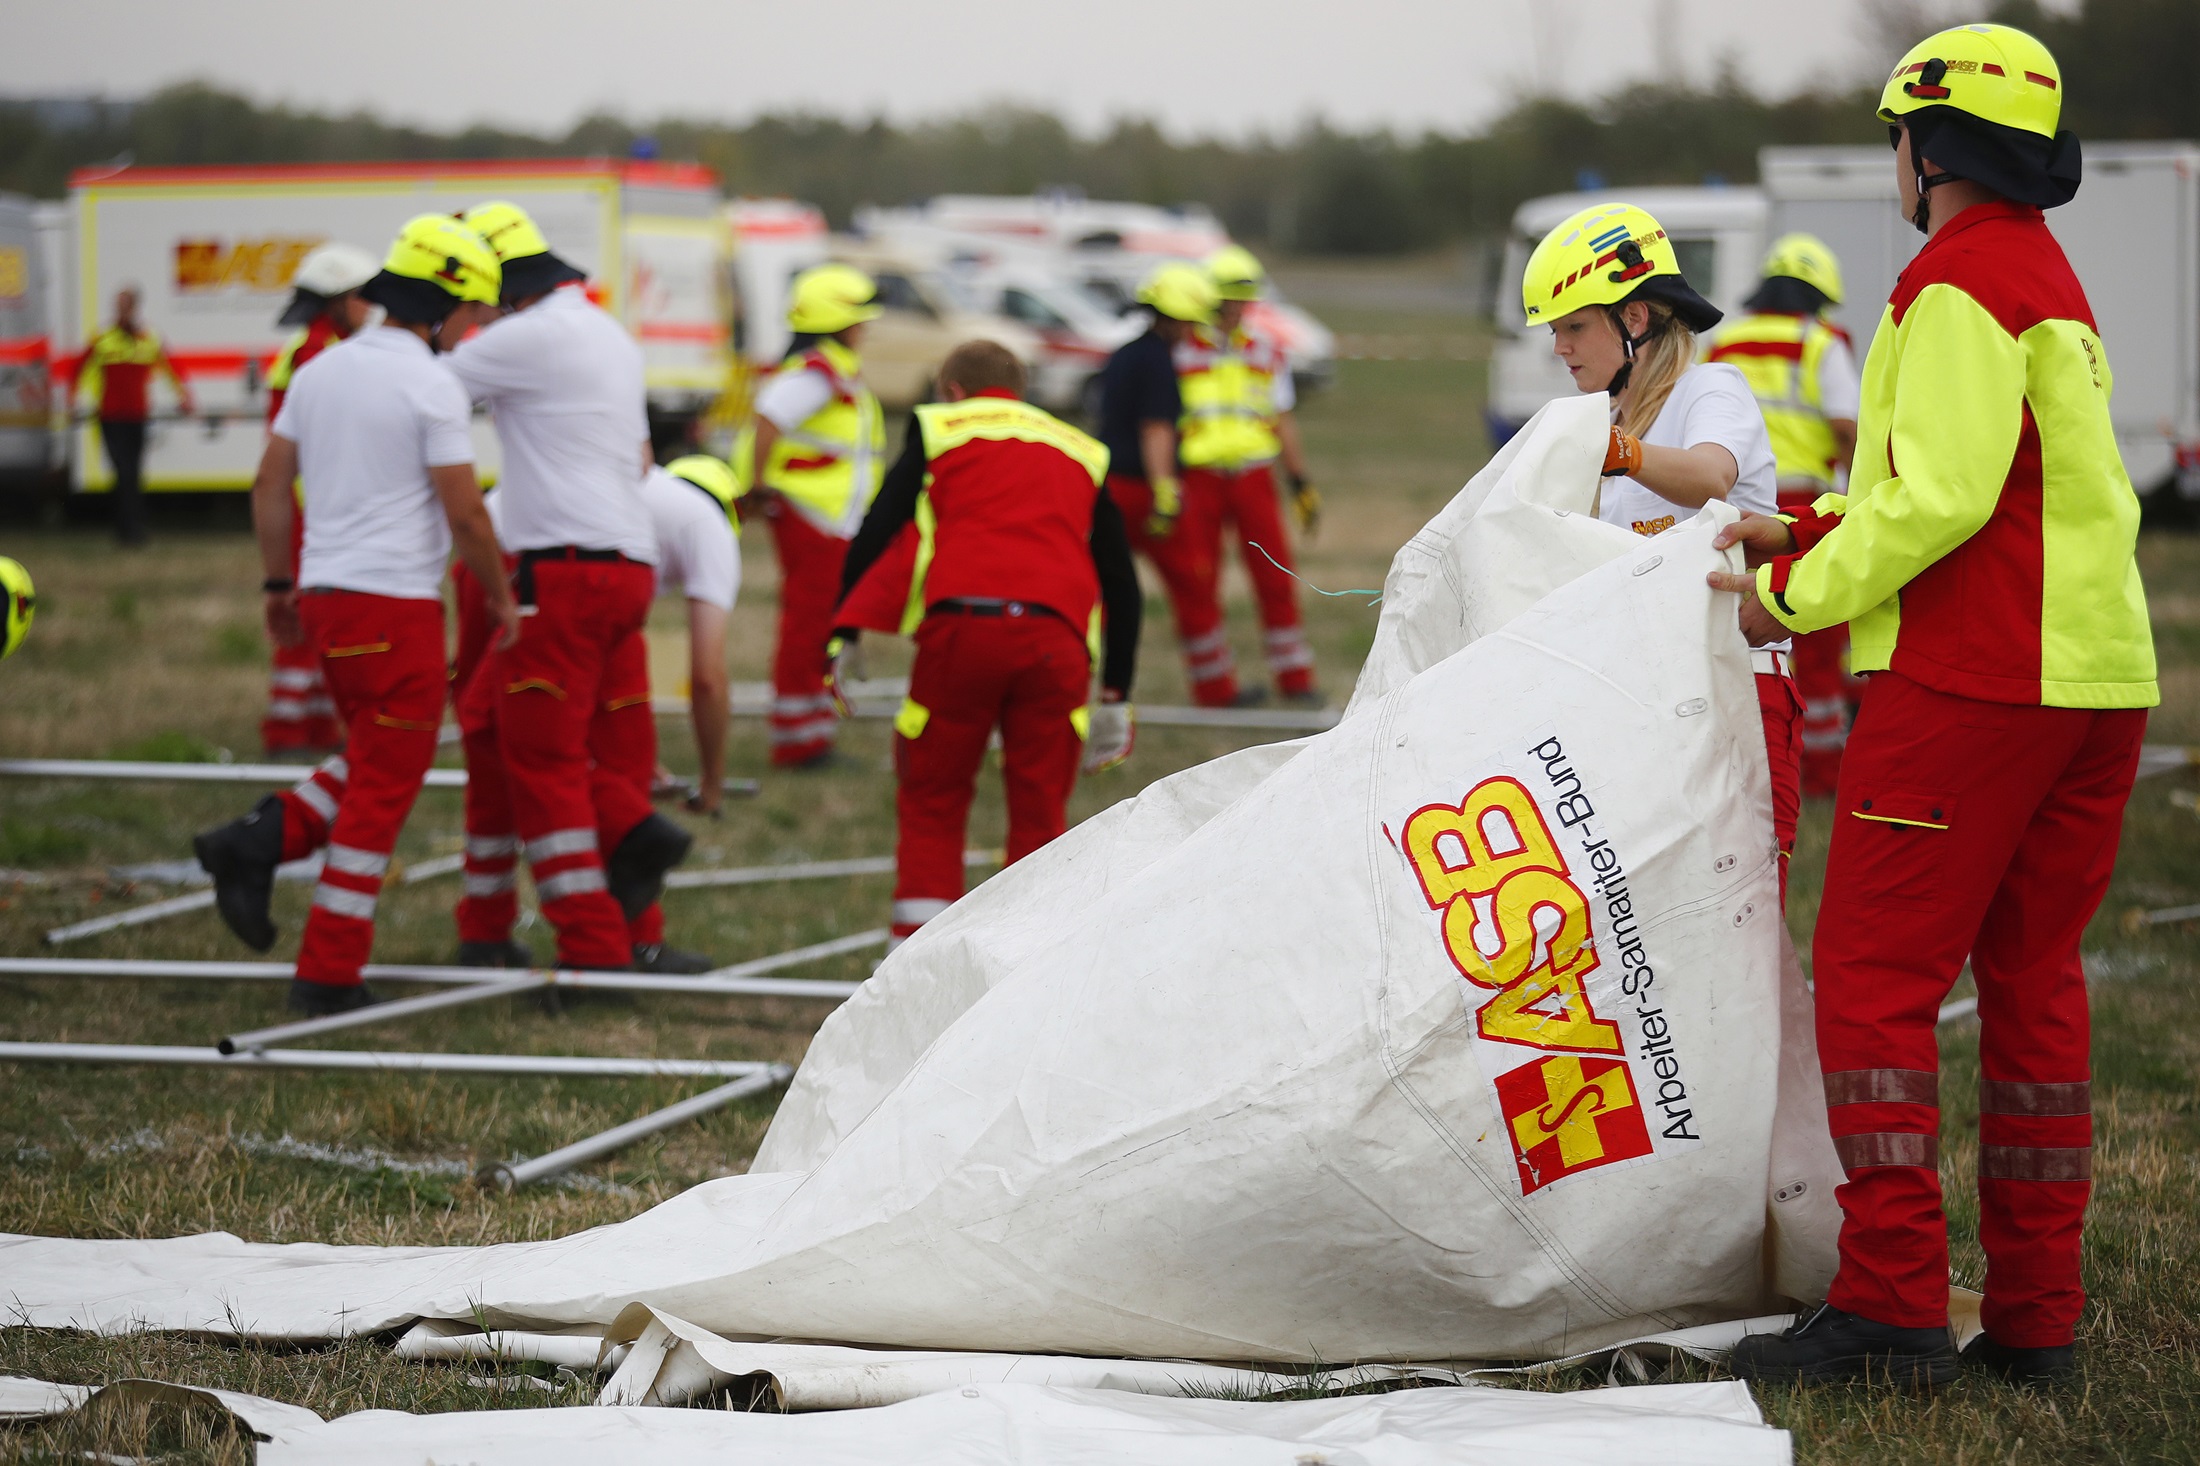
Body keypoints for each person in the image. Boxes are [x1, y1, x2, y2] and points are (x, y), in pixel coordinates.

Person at [1719, 24, 2153, 1387]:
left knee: (1872, 981)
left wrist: (1788, 598)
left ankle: (1895, 1304)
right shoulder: (2050, 281)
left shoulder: (1954, 281)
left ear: (1926, 147)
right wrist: (1800, 535)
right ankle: (2035, 1321)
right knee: (2033, 990)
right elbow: (1982, 487)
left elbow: (1942, 498)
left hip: (1972, 680)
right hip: (2094, 681)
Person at [192, 215, 515, 1016]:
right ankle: (328, 971)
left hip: (328, 606)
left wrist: (277, 589)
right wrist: (503, 598)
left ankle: (253, 843)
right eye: (472, 314)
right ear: (442, 305)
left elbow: (269, 485)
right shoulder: (429, 384)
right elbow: (467, 515)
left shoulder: (320, 373)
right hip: (396, 610)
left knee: (371, 761)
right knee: (381, 794)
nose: (474, 330)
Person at [1520, 200, 1804, 902]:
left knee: (1743, 928)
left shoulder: (1713, 387)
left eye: (1575, 326)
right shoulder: (1612, 420)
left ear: (1636, 318)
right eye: (1557, 330)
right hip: (1647, 705)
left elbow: (1710, 477)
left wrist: (1614, 451)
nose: (1560, 346)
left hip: (1740, 694)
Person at [441, 200, 693, 975]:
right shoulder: (603, 331)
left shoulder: (527, 335)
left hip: (563, 569)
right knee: (489, 717)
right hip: (622, 566)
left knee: (541, 757)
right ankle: (495, 923)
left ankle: (594, 942)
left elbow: (416, 392)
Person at [831, 340, 1141, 949]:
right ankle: (1027, 968)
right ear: (1020, 394)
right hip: (1057, 641)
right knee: (1039, 807)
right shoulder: (1080, 447)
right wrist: (1116, 693)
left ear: (951, 389)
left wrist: (842, 629)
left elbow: (880, 523)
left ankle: (915, 959)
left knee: (933, 796)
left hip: (962, 630)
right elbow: (1121, 580)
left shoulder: (941, 427)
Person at [454, 454, 737, 976]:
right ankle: (629, 920)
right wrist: (713, 777)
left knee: (511, 742)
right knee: (527, 746)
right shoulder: (709, 529)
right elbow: (708, 677)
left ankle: (491, 928)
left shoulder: (655, 499)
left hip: (554, 569)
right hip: (527, 568)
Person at [1709, 235, 1864, 797]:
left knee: (1741, 638)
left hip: (1739, 504)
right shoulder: (1818, 341)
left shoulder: (1723, 340)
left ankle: (1747, 771)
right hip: (1801, 505)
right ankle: (1820, 775)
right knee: (1816, 639)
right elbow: (1847, 426)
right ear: (1820, 296)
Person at [740, 263, 887, 768]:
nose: (865, 329)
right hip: (813, 519)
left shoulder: (831, 369)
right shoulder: (816, 374)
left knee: (820, 626)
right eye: (860, 319)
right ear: (840, 321)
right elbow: (768, 421)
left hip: (828, 519)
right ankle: (798, 742)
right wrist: (759, 489)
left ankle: (810, 733)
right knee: (809, 627)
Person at [1175, 245, 1319, 705]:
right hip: (1198, 478)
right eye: (1229, 299)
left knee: (1275, 576)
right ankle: (1213, 687)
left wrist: (1299, 482)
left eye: (1244, 299)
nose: (1238, 309)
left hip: (1254, 476)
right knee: (1199, 579)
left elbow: (1282, 417)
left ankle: (1295, 680)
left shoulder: (1265, 349)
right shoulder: (1179, 351)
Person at [261, 242, 381, 757]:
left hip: (315, 505)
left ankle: (313, 727)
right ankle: (289, 730)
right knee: (304, 620)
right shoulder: (319, 352)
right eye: (361, 297)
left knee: (316, 622)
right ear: (337, 300)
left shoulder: (312, 347)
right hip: (315, 508)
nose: (370, 308)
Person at [1095, 262, 1230, 703]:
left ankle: (1077, 682)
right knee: (1194, 584)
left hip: (1109, 489)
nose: (1194, 330)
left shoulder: (1124, 354)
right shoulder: (1157, 361)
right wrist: (1166, 493)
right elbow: (1156, 428)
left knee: (1099, 591)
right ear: (1173, 316)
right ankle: (1215, 689)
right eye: (1191, 320)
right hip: (1146, 493)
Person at [73, 287, 194, 546]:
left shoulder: (148, 338)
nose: (120, 310)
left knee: (132, 473)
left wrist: (184, 398)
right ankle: (129, 529)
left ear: (135, 307)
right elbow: (79, 369)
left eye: (125, 305)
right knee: (123, 472)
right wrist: (74, 400)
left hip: (137, 416)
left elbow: (172, 367)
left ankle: (130, 529)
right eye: (117, 305)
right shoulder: (103, 338)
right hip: (110, 416)